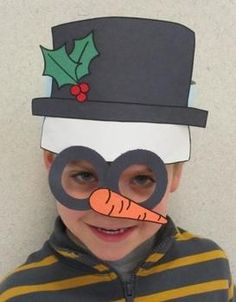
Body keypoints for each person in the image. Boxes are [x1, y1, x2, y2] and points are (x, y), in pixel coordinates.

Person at [0, 17, 235, 302]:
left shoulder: (211, 271)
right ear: (51, 165)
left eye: (141, 179)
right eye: (85, 176)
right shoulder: (20, 295)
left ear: (175, 176)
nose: (112, 208)